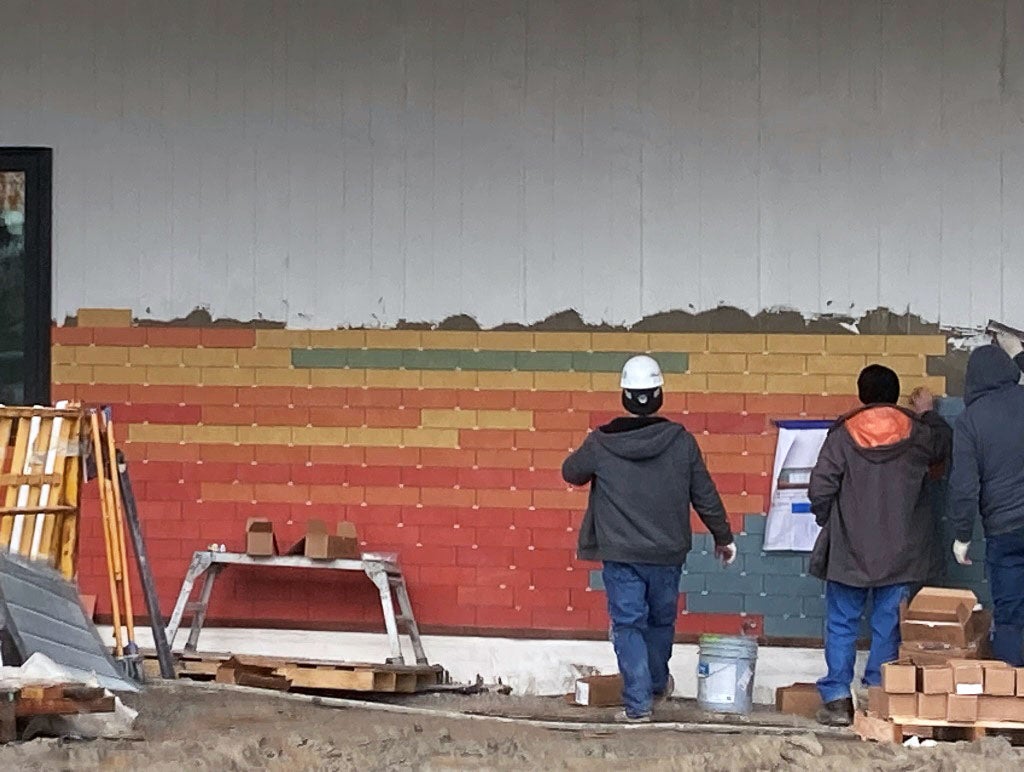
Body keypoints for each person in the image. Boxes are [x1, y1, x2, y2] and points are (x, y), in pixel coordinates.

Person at [562, 354, 736, 723]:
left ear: (625, 395)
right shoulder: (681, 441)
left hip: (621, 553)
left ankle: (639, 704)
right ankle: (656, 685)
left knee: (629, 624)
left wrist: (587, 446)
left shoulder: (601, 443)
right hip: (667, 554)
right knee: (660, 622)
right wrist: (724, 537)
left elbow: (571, 473)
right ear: (659, 394)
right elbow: (704, 493)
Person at [809, 364, 952, 726]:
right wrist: (928, 413)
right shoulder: (918, 433)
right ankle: (877, 695)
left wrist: (831, 519)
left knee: (842, 622)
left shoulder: (843, 434)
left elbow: (820, 487)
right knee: (888, 625)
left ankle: (839, 699)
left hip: (850, 549)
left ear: (861, 395)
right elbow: (943, 443)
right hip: (903, 550)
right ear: (894, 392)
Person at [949, 334, 1024, 666]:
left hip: (1005, 531)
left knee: (1010, 613)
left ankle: (1013, 699)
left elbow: (964, 487)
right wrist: (1018, 353)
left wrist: (962, 536)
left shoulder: (970, 420)